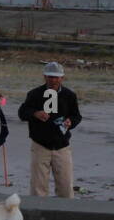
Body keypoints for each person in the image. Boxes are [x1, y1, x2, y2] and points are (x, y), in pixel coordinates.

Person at [17, 61, 81, 198]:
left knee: (65, 186)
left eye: (56, 77)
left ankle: (66, 214)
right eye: (50, 76)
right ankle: (38, 214)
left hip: (62, 146)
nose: (53, 80)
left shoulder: (69, 95)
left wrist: (71, 122)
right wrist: (35, 113)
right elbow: (22, 113)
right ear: (44, 77)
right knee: (38, 187)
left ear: (62, 78)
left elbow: (77, 116)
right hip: (40, 146)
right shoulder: (34, 94)